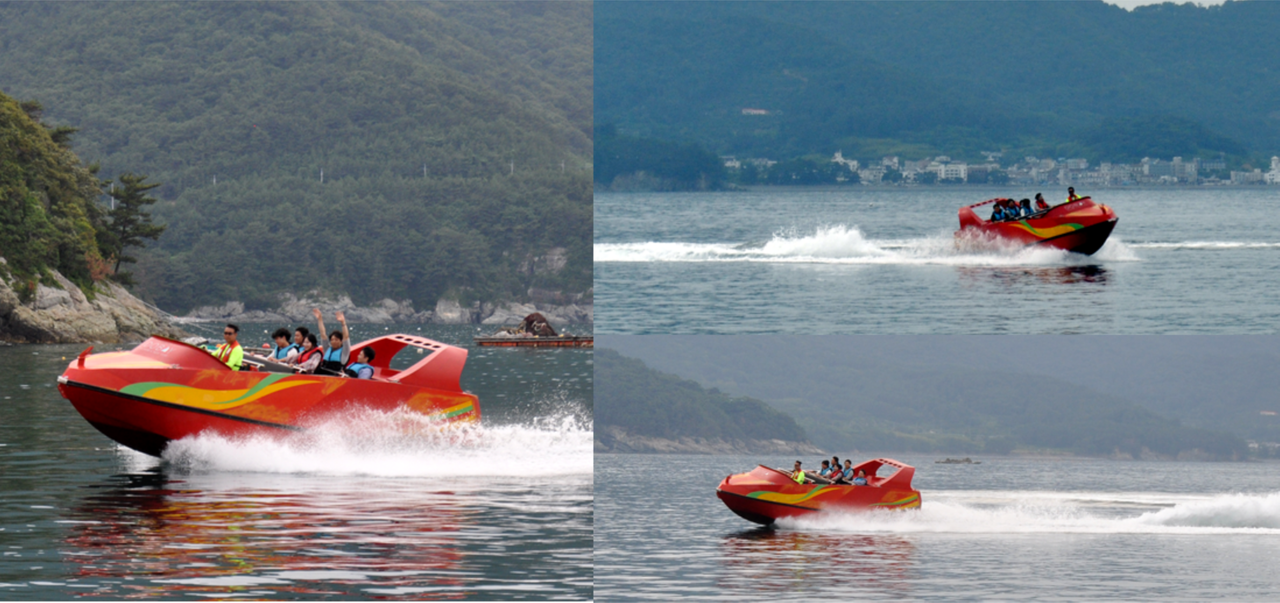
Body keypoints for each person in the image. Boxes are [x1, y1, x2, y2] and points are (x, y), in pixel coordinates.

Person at [313, 308, 351, 376]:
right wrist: (320, 319)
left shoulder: (344, 352)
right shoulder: (327, 349)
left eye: (336, 340)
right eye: (332, 340)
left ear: (341, 341)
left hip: (334, 377)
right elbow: (323, 334)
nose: (333, 342)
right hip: (322, 375)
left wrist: (343, 323)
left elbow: (346, 337)